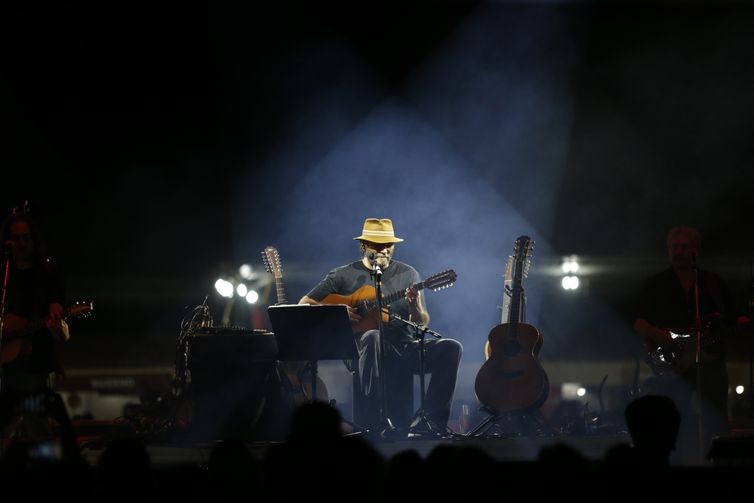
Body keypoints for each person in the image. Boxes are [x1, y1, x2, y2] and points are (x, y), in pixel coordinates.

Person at [299, 218, 462, 435]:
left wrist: (414, 305)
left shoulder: (409, 274)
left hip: (403, 348)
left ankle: (431, 421)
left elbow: (422, 323)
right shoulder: (342, 275)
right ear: (363, 245)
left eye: (389, 245)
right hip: (361, 348)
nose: (384, 249)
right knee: (372, 336)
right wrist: (337, 313)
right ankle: (375, 420)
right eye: (378, 244)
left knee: (451, 347)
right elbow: (304, 303)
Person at [633, 225, 749, 462]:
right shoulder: (656, 285)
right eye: (674, 247)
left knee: (716, 419)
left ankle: (720, 467)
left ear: (696, 250)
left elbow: (734, 317)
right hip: (673, 367)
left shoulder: (713, 283)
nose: (679, 252)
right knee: (671, 421)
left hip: (711, 364)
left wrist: (745, 322)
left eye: (684, 247)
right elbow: (638, 322)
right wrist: (660, 336)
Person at [0, 208, 71, 439]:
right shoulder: (4, 273)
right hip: (5, 365)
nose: (21, 244)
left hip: (36, 364)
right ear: (8, 241)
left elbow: (60, 321)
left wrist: (57, 313)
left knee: (36, 427)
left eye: (26, 237)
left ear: (34, 238)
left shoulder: (48, 273)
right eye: (17, 238)